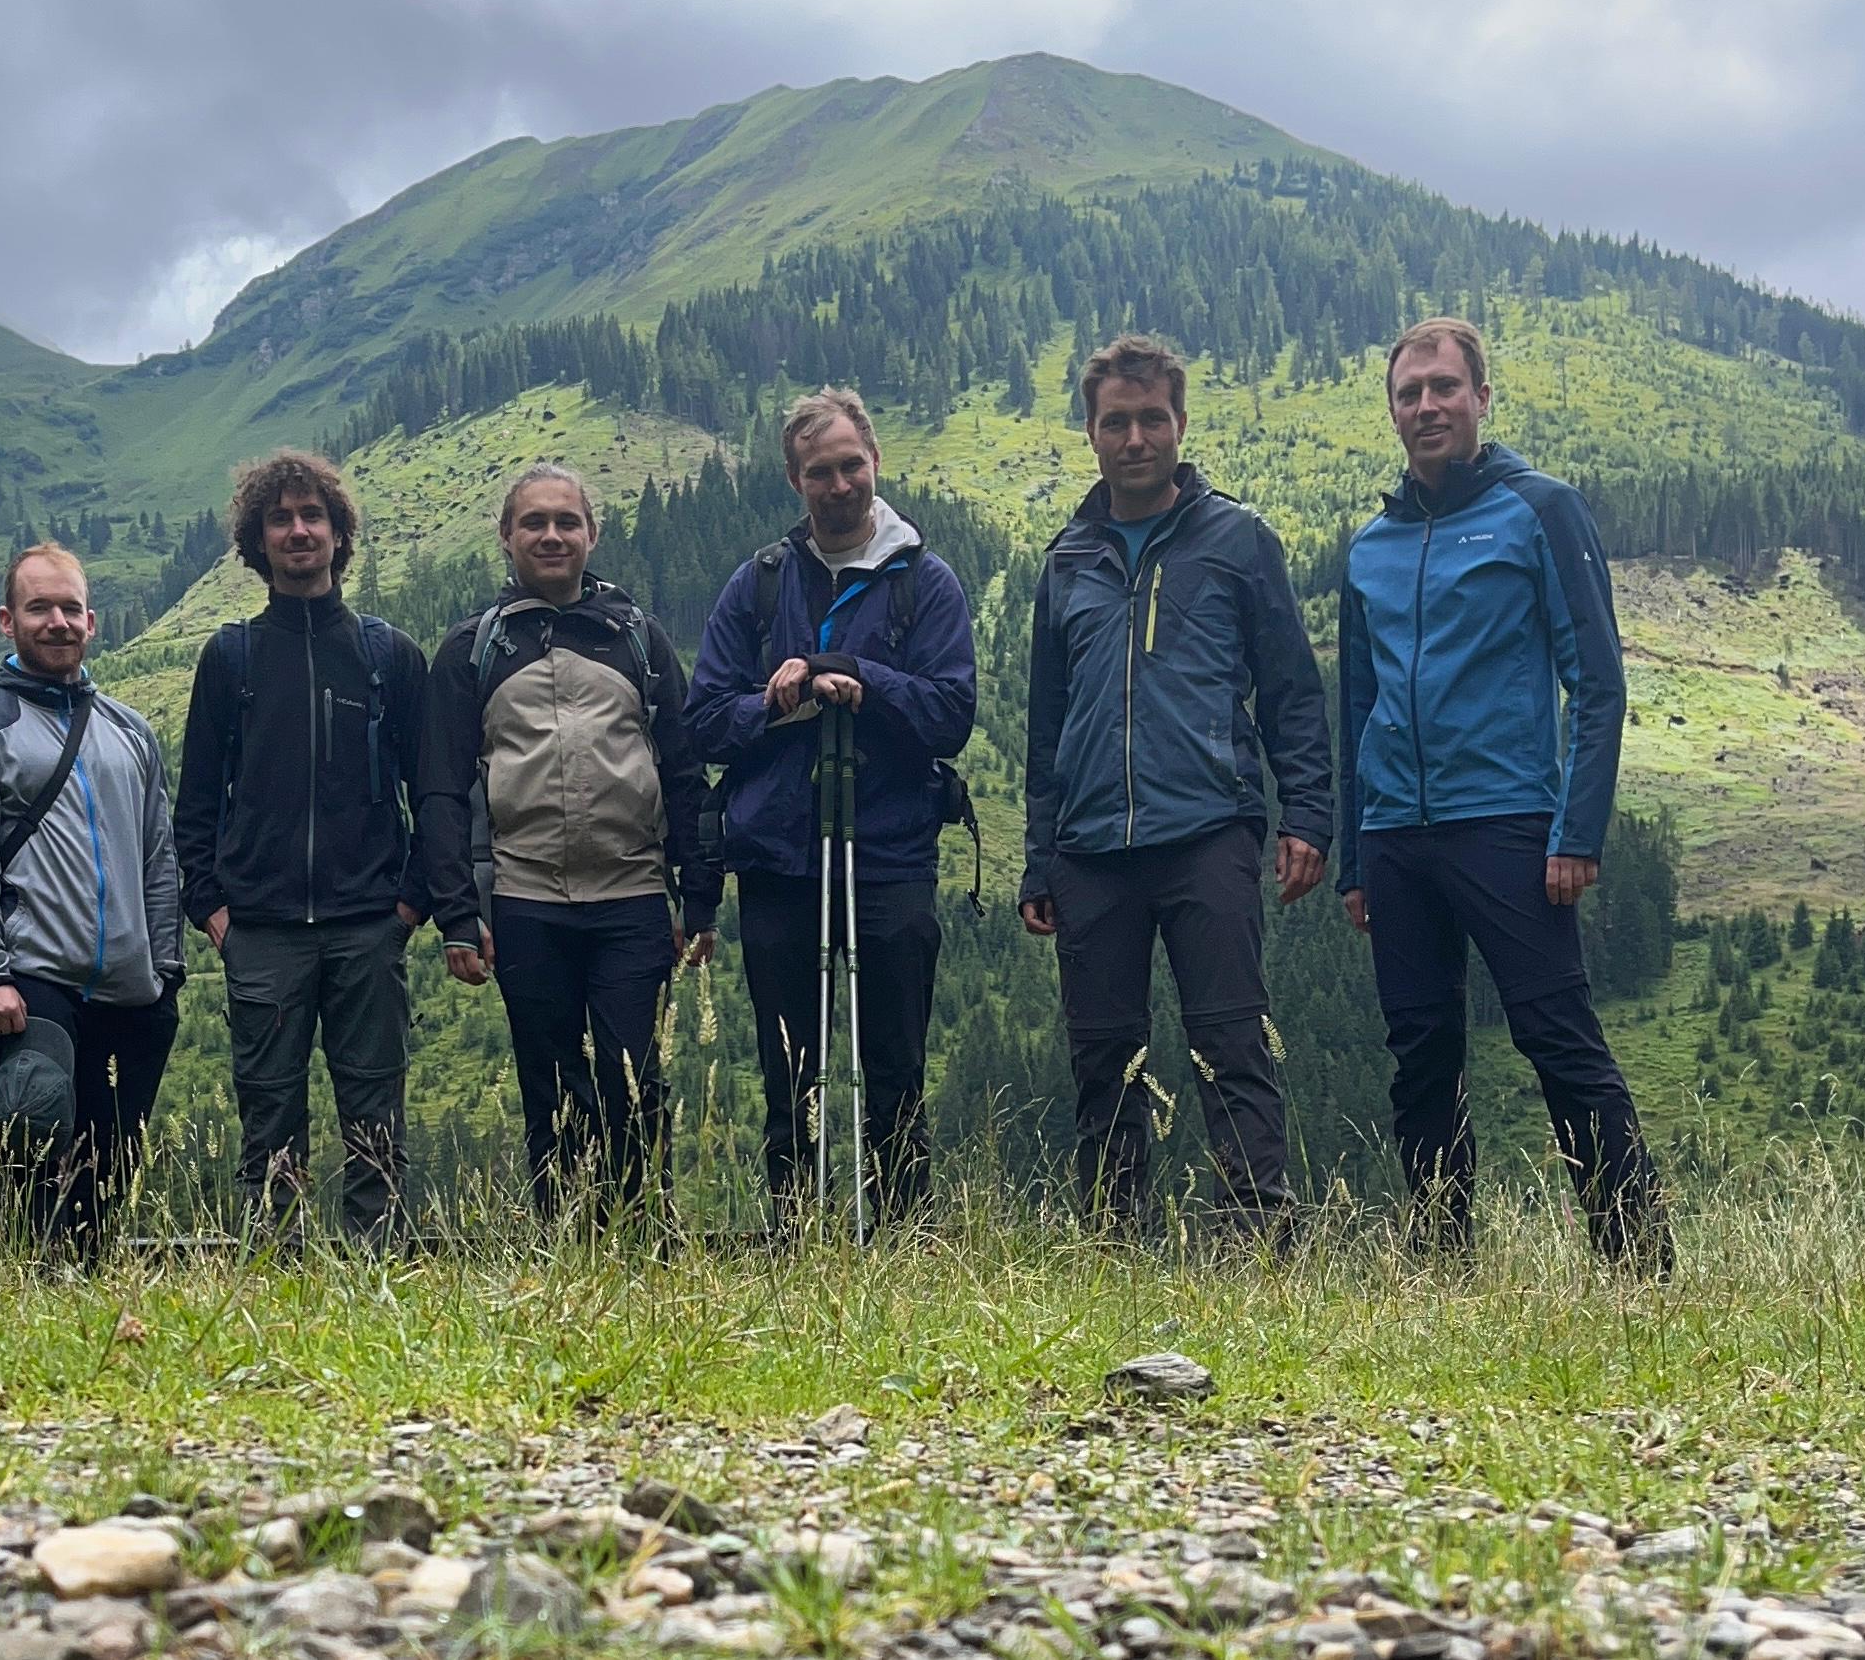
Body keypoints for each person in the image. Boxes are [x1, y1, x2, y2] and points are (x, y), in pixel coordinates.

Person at [1337, 317, 1673, 1273]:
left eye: (1446, 388)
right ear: (1393, 412)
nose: (1428, 406)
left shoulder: (1541, 510)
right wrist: (1356, 858)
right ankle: (1443, 1268)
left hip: (1510, 825)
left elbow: (1598, 681)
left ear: (1483, 398)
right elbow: (1356, 704)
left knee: (1558, 1040)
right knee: (1420, 1060)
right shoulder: (1372, 543)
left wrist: (1578, 831)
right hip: (1398, 833)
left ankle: (1640, 1266)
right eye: (1411, 393)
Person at [1018, 335, 1333, 1239]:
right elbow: (1048, 725)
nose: (1135, 438)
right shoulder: (1067, 558)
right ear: (1091, 432)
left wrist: (1307, 811)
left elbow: (1291, 691)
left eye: (1152, 418)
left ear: (1181, 424)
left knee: (1232, 1038)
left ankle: (1258, 1235)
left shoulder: (1236, 540)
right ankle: (1117, 1236)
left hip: (1208, 829)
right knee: (1103, 1056)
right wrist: (1040, 858)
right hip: (1089, 849)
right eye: (1116, 421)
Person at [686, 388, 977, 1228]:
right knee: (790, 1070)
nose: (840, 483)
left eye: (852, 464)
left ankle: (900, 1236)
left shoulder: (926, 581)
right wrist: (776, 704)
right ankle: (796, 1234)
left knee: (895, 1065)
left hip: (889, 854)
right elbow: (705, 721)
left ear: (875, 461)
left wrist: (861, 676)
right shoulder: (759, 583)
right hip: (780, 860)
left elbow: (951, 715)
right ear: (795, 479)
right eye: (821, 471)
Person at [417, 462, 721, 1221]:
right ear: (506, 537)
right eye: (534, 522)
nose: (551, 535)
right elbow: (440, 791)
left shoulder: (639, 640)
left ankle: (645, 1240)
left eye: (566, 521)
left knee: (635, 1080)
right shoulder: (471, 651)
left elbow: (683, 772)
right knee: (549, 1086)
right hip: (525, 901)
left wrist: (702, 895)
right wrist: (458, 911)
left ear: (593, 534)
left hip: (634, 898)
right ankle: (566, 1242)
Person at [171, 450, 434, 1249]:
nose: (297, 529)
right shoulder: (231, 658)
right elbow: (195, 806)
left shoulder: (390, 656)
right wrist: (215, 912)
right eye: (280, 518)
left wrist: (408, 906)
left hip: (368, 923)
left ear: (337, 532)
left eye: (311, 515)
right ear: (257, 540)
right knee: (269, 1109)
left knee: (374, 1108)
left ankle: (374, 1264)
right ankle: (274, 1264)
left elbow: (437, 795)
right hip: (263, 927)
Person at [0, 542, 183, 1259]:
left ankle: (92, 1293)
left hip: (134, 985)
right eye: (39, 607)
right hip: (33, 976)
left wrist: (166, 968)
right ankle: (36, 1286)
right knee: (36, 1140)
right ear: (7, 620)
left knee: (113, 1163)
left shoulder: (130, 729)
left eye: (70, 607)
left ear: (92, 621)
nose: (58, 621)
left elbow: (159, 855)